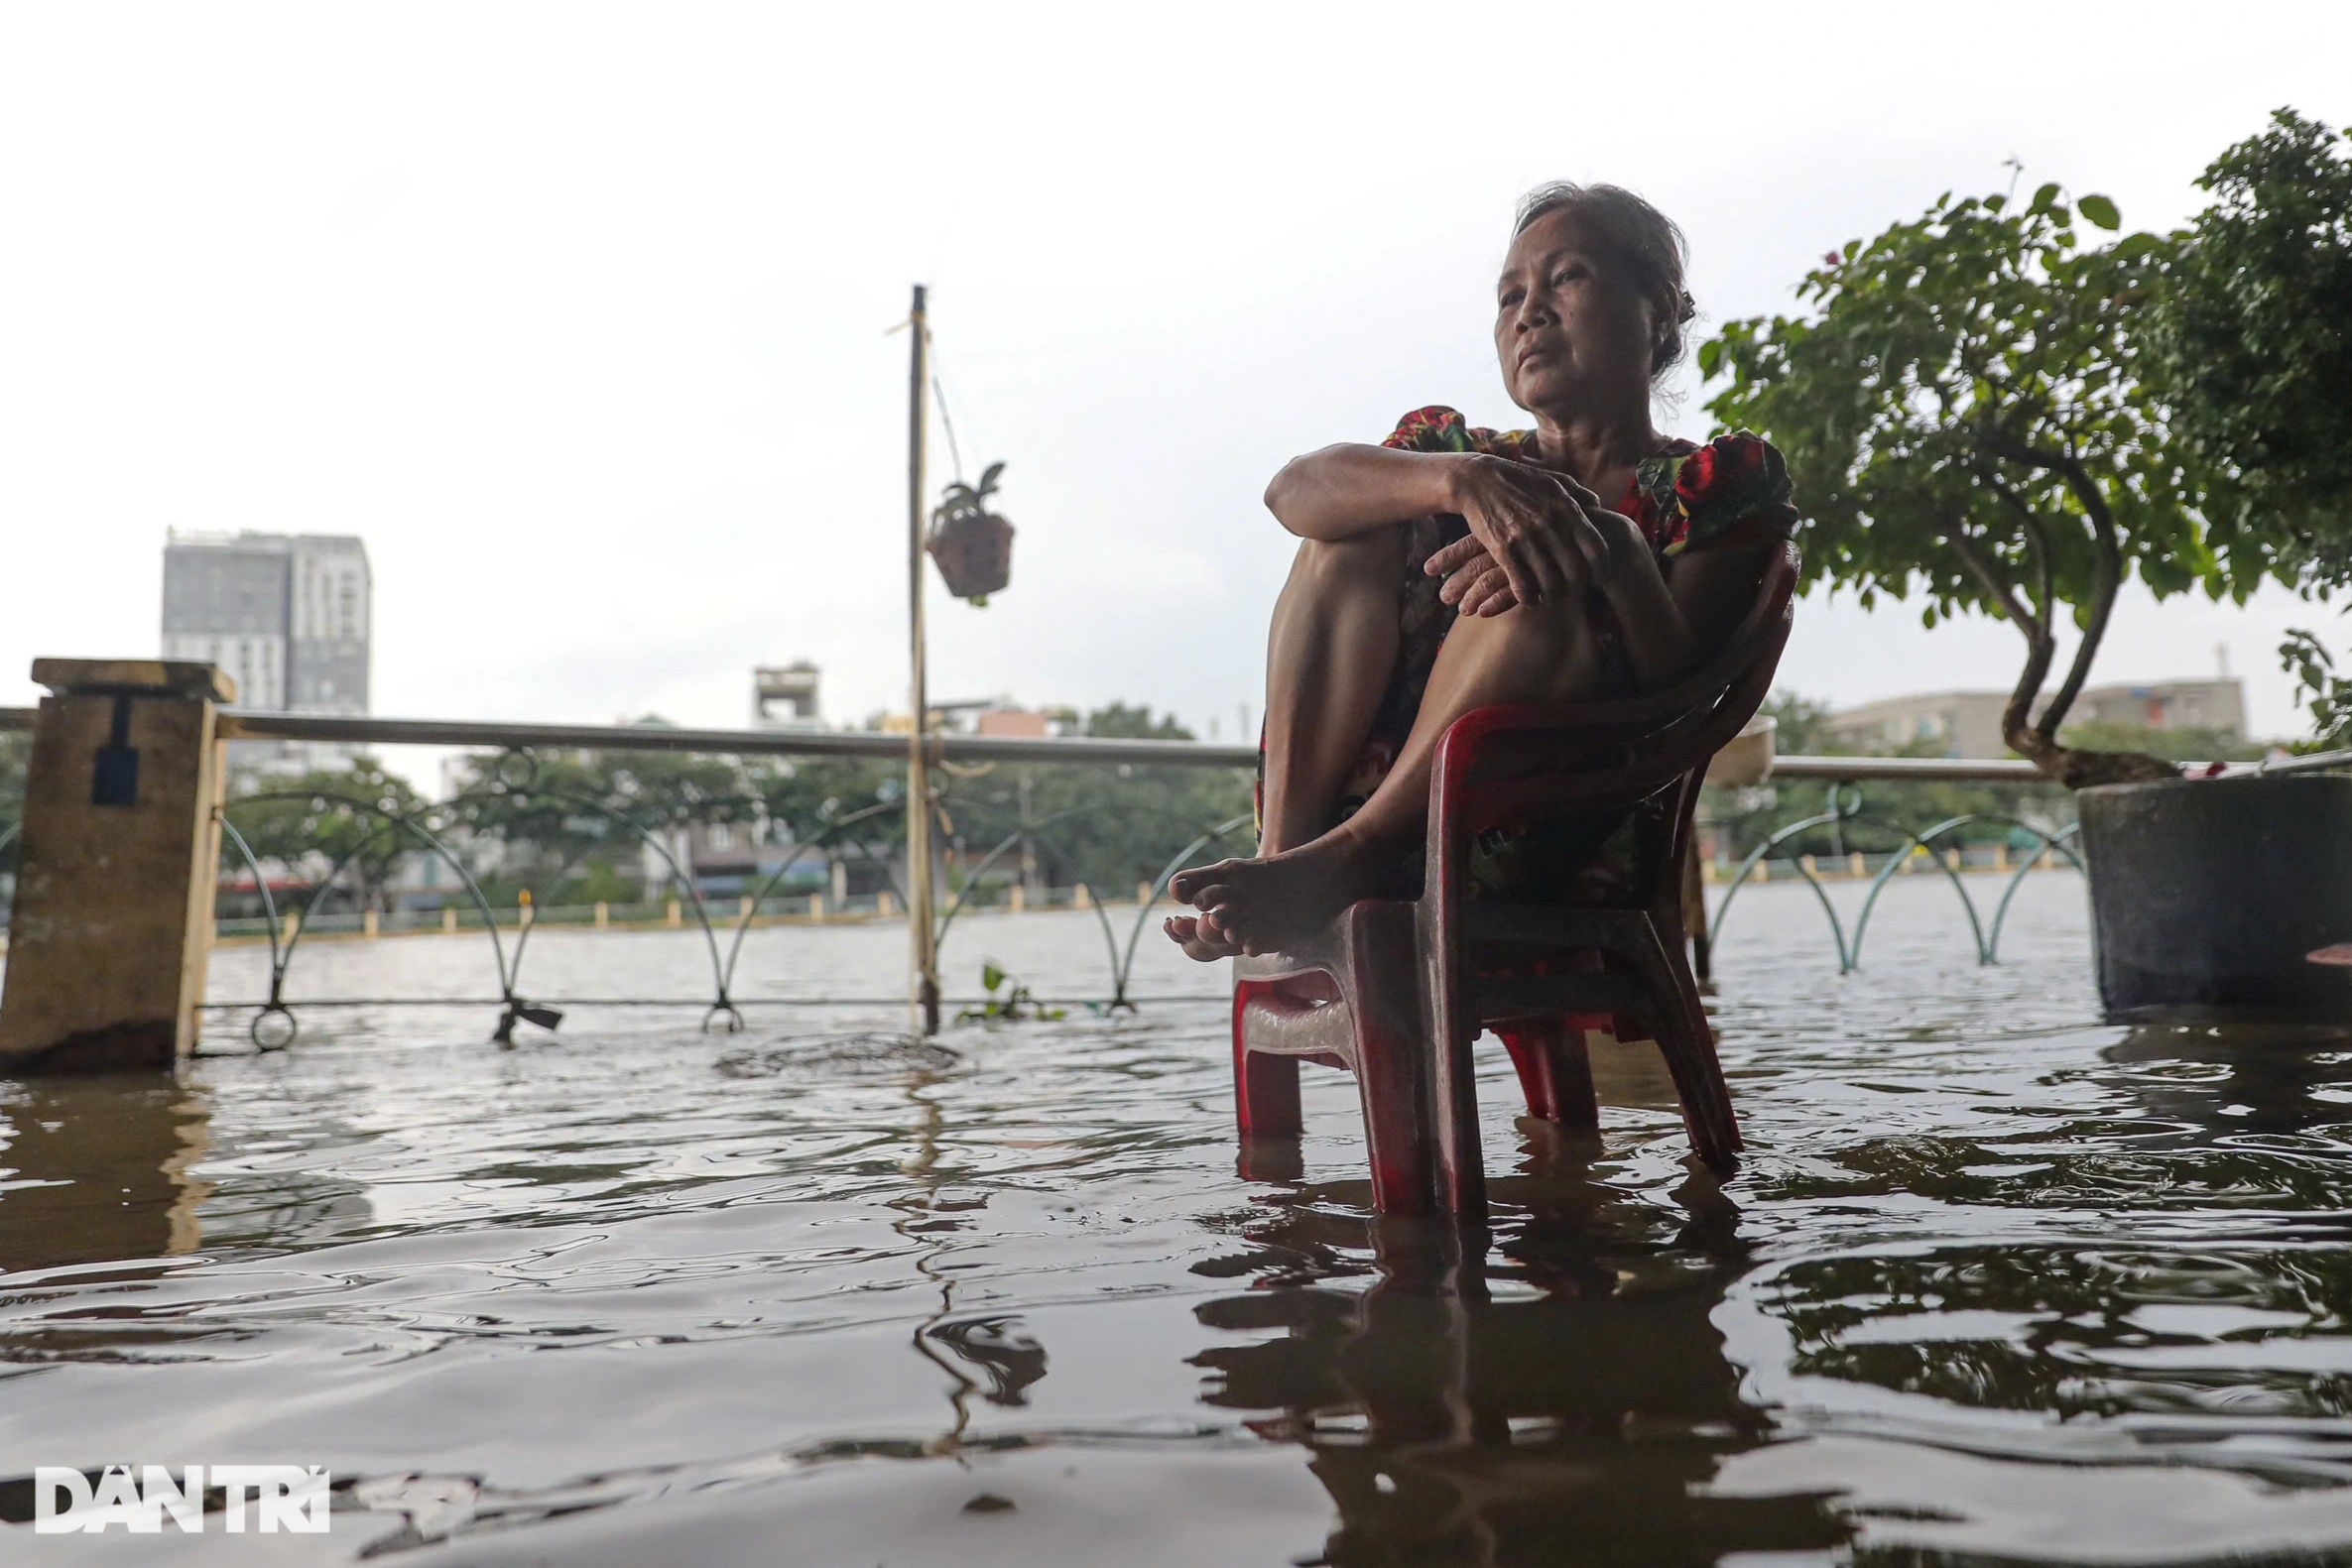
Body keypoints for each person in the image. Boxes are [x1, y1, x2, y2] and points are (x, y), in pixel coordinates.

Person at [1166, 182, 1797, 961]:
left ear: (1657, 311)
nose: (1528, 311)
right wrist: (1458, 481)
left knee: (1534, 580)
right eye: (1509, 295)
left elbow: (1686, 694)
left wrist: (1618, 554)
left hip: (1551, 827)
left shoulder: (1714, 484)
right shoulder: (1465, 458)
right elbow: (1290, 491)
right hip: (1348, 814)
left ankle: (1336, 863)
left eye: (1566, 277)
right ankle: (1287, 862)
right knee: (1343, 535)